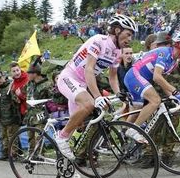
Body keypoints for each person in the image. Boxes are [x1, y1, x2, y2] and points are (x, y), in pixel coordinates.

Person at [56, 14, 138, 160]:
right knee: (89, 104)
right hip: (69, 78)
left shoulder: (117, 52)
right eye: (128, 34)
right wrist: (98, 97)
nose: (130, 39)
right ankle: (61, 137)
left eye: (131, 36)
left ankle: (66, 162)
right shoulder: (98, 41)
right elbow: (89, 70)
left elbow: (112, 77)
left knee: (80, 125)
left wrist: (119, 93)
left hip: (81, 85)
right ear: (117, 30)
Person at [124, 31, 180, 142]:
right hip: (134, 76)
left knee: (137, 110)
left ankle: (122, 135)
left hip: (138, 79)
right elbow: (157, 77)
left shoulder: (174, 61)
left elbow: (162, 82)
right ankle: (133, 130)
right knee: (155, 101)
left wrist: (172, 96)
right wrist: (175, 91)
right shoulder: (165, 53)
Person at [0, 69, 21, 159]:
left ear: (4, 76)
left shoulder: (10, 86)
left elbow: (17, 101)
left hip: (12, 118)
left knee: (12, 138)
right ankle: (6, 154)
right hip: (2, 119)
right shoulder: (0, 90)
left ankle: (14, 155)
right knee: (3, 138)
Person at [25, 64, 52, 152]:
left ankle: (39, 155)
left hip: (41, 115)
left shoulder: (47, 84)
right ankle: (31, 156)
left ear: (35, 74)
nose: (28, 75)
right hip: (30, 115)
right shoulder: (29, 84)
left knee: (39, 137)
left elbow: (52, 100)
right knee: (30, 138)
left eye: (29, 73)